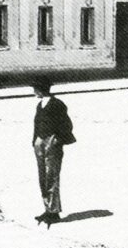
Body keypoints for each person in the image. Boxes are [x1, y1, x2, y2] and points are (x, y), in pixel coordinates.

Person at [31, 77, 76, 227]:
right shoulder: (39, 105)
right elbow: (36, 124)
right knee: (42, 175)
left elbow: (66, 124)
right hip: (40, 142)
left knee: (52, 175)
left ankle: (54, 211)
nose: (34, 92)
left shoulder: (57, 104)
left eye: (35, 89)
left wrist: (59, 139)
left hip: (52, 142)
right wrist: (35, 141)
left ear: (40, 90)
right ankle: (47, 208)